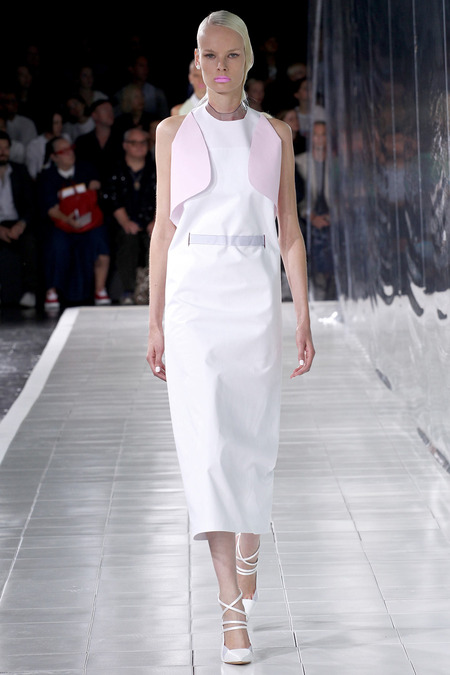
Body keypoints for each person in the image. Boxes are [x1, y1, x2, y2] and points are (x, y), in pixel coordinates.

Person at [146, 10, 314, 666]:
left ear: (248, 59)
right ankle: (230, 612)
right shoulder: (172, 133)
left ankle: (250, 541)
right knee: (209, 451)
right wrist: (155, 319)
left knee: (252, 444)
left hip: (253, 300)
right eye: (209, 56)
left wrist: (302, 316)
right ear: (196, 62)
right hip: (194, 305)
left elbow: (289, 231)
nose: (219, 68)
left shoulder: (275, 134)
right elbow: (163, 229)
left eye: (231, 55)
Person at [38, 136, 111, 310]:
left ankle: (100, 289)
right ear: (54, 157)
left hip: (89, 222)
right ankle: (52, 291)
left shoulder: (86, 168)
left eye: (70, 148)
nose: (70, 153)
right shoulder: (47, 177)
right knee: (56, 243)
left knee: (100, 239)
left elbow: (97, 193)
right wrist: (68, 220)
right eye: (63, 151)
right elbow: (50, 208)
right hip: (63, 224)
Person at [102, 127, 155, 304]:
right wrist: (125, 221)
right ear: (125, 145)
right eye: (134, 143)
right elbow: (112, 198)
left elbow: (164, 196)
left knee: (157, 239)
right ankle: (128, 290)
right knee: (127, 239)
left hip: (151, 221)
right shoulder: (115, 169)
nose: (140, 146)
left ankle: (152, 290)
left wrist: (156, 221)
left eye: (143, 142)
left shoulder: (156, 168)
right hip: (123, 222)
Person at [296, 120, 336, 299]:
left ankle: (331, 286)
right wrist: (311, 217)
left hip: (332, 216)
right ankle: (316, 288)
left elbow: (343, 195)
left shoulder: (337, 162)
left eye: (323, 135)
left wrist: (334, 216)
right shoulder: (299, 162)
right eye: (316, 135)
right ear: (311, 138)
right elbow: (297, 198)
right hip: (307, 217)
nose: (320, 139)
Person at [0, 130, 37, 308]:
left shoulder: (19, 171)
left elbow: (31, 203)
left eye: (6, 148)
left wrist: (21, 224)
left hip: (16, 222)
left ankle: (30, 292)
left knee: (30, 241)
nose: (3, 152)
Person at [114, 55, 169, 120]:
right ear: (131, 68)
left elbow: (165, 117)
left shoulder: (157, 93)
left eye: (147, 66)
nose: (145, 69)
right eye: (141, 66)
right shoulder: (121, 94)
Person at [25, 107, 67, 180]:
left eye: (61, 122)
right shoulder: (34, 145)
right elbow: (32, 174)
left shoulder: (66, 138)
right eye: (56, 123)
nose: (60, 126)